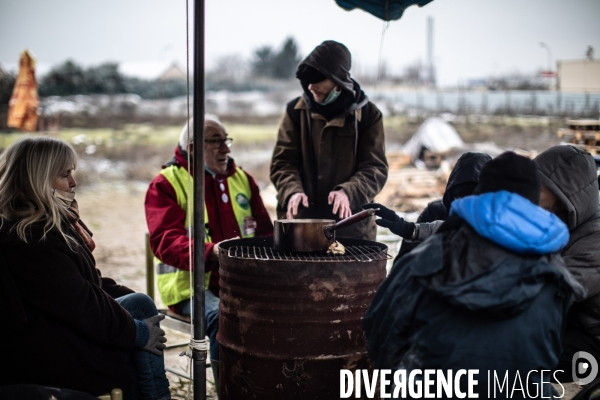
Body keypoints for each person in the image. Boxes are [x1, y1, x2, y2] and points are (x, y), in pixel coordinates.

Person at [363, 152, 584, 398]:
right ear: (533, 202)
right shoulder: (557, 277)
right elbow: (547, 354)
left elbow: (380, 334)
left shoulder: (426, 259)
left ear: (480, 193)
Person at [0, 137, 170, 399]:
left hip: (62, 331)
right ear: (38, 180)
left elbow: (87, 283)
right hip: (52, 350)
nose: (73, 183)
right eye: (64, 175)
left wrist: (132, 307)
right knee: (140, 319)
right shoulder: (30, 236)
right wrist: (137, 332)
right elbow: (82, 303)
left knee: (140, 304)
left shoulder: (46, 224)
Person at [145, 115, 274, 384]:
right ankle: (228, 389)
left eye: (226, 140)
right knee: (223, 315)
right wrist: (211, 252)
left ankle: (265, 383)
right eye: (216, 141)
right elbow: (164, 242)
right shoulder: (166, 183)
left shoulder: (242, 179)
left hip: (241, 283)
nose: (226, 148)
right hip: (191, 288)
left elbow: (265, 234)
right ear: (193, 148)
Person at [270, 40, 388, 240]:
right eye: (307, 80)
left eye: (318, 79)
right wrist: (292, 192)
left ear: (338, 81)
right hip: (300, 230)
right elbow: (283, 163)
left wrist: (348, 192)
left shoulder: (368, 115)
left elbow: (374, 168)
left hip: (351, 230)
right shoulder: (294, 112)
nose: (311, 86)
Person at [533, 145, 600, 382]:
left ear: (562, 193)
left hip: (592, 340)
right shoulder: (555, 222)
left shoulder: (595, 240)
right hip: (568, 318)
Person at [364, 151, 491, 259]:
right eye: (459, 198)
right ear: (451, 195)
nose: (465, 207)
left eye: (473, 200)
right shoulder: (435, 212)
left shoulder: (498, 223)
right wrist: (408, 229)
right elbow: (407, 258)